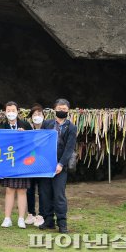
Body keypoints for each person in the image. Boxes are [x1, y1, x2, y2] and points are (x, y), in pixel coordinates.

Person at [39, 99, 77, 234]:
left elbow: (69, 148)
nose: (62, 110)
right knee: (44, 193)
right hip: (45, 165)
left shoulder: (71, 127)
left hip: (61, 167)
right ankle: (48, 220)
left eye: (65, 109)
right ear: (54, 109)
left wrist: (61, 164)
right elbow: (40, 141)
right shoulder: (47, 123)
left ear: (68, 111)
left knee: (59, 194)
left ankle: (62, 223)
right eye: (60, 108)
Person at [0, 101, 32, 229]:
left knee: (22, 191)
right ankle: (7, 218)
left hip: (23, 162)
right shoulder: (2, 126)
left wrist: (24, 134)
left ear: (18, 111)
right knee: (9, 190)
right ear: (5, 112)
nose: (11, 113)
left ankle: (21, 219)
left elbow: (32, 141)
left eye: (13, 110)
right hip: (9, 162)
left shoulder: (25, 124)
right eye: (8, 110)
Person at [25, 103, 45, 227]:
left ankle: (41, 215)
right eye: (34, 114)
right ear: (31, 117)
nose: (37, 116)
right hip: (29, 165)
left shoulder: (48, 129)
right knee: (29, 190)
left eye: (39, 114)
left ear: (43, 116)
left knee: (42, 191)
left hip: (43, 165)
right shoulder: (28, 129)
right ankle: (31, 213)